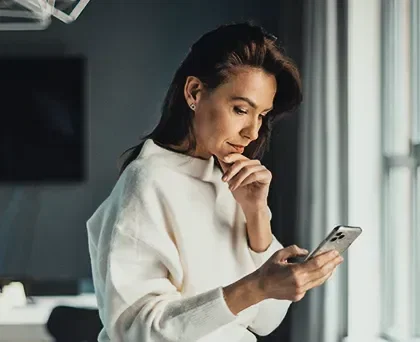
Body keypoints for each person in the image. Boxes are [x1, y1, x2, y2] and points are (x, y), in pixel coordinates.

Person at [86, 21, 344, 342]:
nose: (252, 132)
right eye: (240, 109)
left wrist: (257, 217)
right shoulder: (147, 181)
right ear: (194, 92)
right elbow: (136, 331)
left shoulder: (228, 183)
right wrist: (258, 285)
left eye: (261, 115)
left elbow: (264, 322)